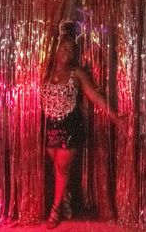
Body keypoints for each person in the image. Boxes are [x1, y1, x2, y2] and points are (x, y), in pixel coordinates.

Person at [41, 31, 127, 230]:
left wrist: (114, 117)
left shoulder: (77, 74)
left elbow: (94, 96)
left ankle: (55, 210)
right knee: (58, 167)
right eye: (64, 47)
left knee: (62, 167)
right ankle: (66, 197)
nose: (66, 51)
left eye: (71, 50)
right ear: (56, 48)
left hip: (70, 126)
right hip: (49, 126)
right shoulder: (45, 71)